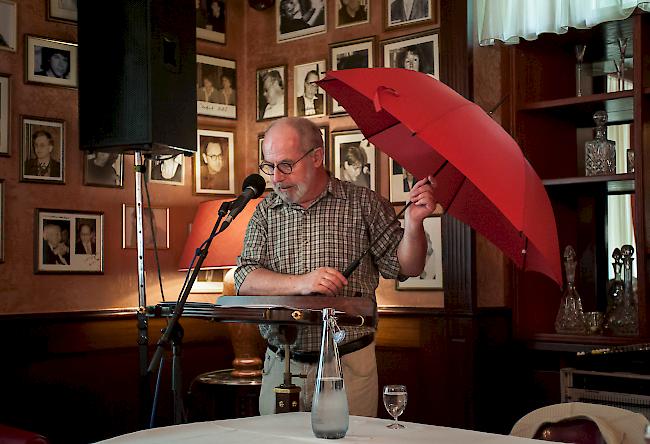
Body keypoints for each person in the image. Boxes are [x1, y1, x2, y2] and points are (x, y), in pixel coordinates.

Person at [235, 117, 436, 417]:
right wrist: (302, 283)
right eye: (269, 166)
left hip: (348, 366)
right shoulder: (265, 211)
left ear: (317, 156)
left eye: (286, 165)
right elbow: (244, 278)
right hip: (280, 365)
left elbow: (406, 266)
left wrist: (414, 224)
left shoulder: (364, 204)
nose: (276, 178)